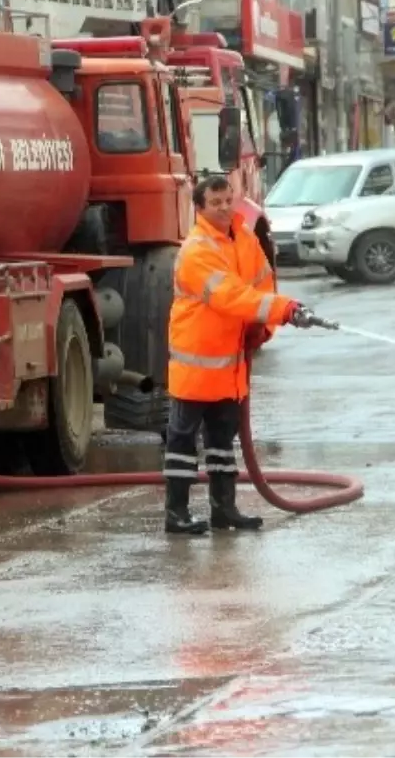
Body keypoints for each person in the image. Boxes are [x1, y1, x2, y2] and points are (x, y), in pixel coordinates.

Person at [162, 175, 308, 535]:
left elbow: (262, 283)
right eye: (216, 203)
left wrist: (265, 327)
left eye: (228, 200)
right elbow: (230, 296)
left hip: (229, 365)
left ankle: (224, 510)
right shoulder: (197, 250)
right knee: (183, 441)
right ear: (199, 208)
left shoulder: (243, 239)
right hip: (197, 365)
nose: (225, 207)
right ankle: (176, 514)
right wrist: (282, 310)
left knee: (222, 442)